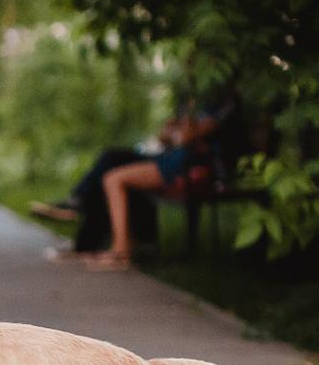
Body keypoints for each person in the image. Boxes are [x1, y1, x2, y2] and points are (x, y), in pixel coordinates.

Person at [30, 95, 237, 270]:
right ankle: (83, 215)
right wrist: (172, 133)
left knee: (113, 178)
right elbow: (170, 137)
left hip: (187, 166)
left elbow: (185, 138)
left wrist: (178, 132)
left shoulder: (221, 103)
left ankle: (119, 251)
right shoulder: (201, 98)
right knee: (112, 159)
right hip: (173, 158)